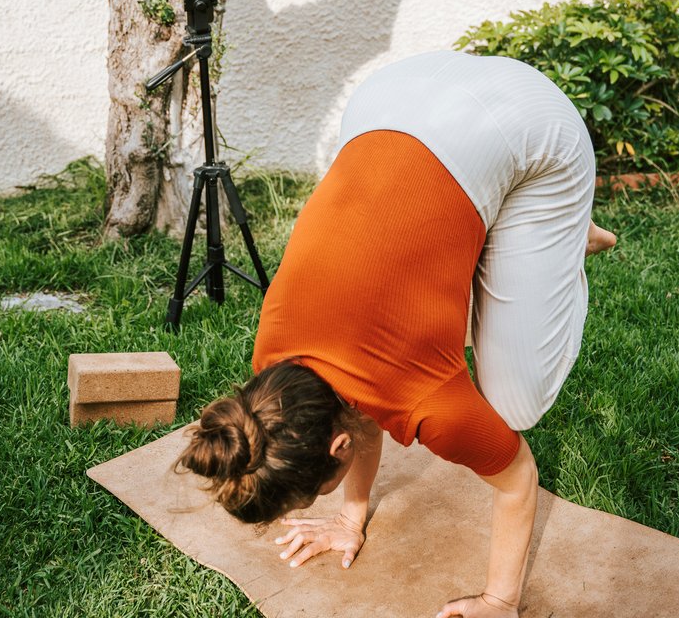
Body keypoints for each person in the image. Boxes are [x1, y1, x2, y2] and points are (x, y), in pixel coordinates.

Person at [178, 51, 616, 618]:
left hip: (523, 115)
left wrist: (500, 601)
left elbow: (517, 480)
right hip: (390, 98)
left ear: (338, 447)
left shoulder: (427, 400)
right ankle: (531, 232)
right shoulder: (273, 360)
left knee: (516, 402)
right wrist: (347, 517)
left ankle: (560, 226)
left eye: (321, 491)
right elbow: (355, 408)